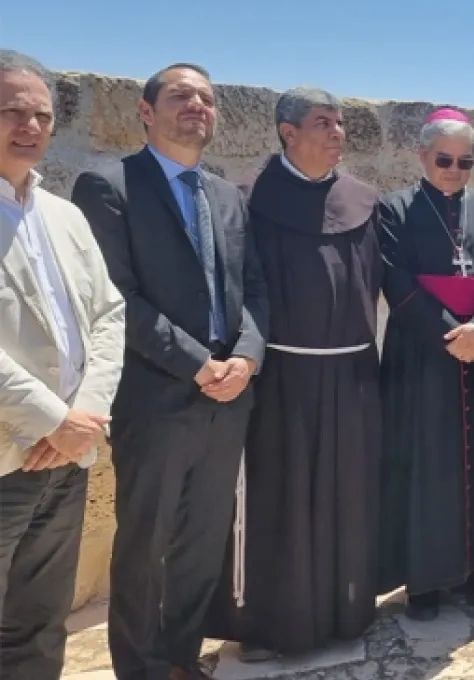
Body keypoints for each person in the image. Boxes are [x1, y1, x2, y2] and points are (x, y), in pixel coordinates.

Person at [72, 63, 268, 680]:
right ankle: (140, 667)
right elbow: (115, 296)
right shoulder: (107, 187)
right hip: (155, 396)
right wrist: (196, 363)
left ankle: (181, 659)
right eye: (181, 96)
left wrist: (246, 356)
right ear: (145, 110)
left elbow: (255, 291)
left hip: (227, 396)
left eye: (207, 99)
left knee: (204, 540)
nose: (197, 107)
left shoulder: (228, 196)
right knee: (144, 544)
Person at [200, 87, 383, 660]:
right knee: (275, 498)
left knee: (347, 495)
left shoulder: (364, 200)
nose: (337, 134)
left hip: (352, 373)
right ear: (287, 132)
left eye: (340, 124)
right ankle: (267, 625)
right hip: (278, 374)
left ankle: (346, 612)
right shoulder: (248, 200)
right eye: (323, 123)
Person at [0, 50, 125, 680]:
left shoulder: (64, 216)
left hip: (67, 456)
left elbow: (108, 314)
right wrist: (52, 418)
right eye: (12, 112)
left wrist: (85, 417)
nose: (31, 126)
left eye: (43, 116)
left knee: (39, 620)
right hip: (8, 455)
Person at [375, 107, 474, 621]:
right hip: (421, 354)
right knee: (424, 463)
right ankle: (425, 580)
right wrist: (448, 334)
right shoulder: (393, 209)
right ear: (422, 155)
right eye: (444, 159)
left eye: (465, 161)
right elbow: (395, 281)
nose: (455, 169)